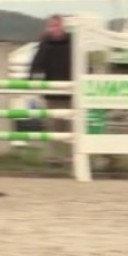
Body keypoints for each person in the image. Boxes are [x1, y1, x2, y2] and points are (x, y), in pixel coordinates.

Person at [29, 14, 72, 166]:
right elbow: (36, 63)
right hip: (52, 92)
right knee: (52, 126)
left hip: (71, 92)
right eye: (51, 26)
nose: (54, 29)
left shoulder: (72, 42)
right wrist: (32, 80)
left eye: (56, 25)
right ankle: (52, 158)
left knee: (70, 127)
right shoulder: (45, 43)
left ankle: (70, 158)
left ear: (62, 26)